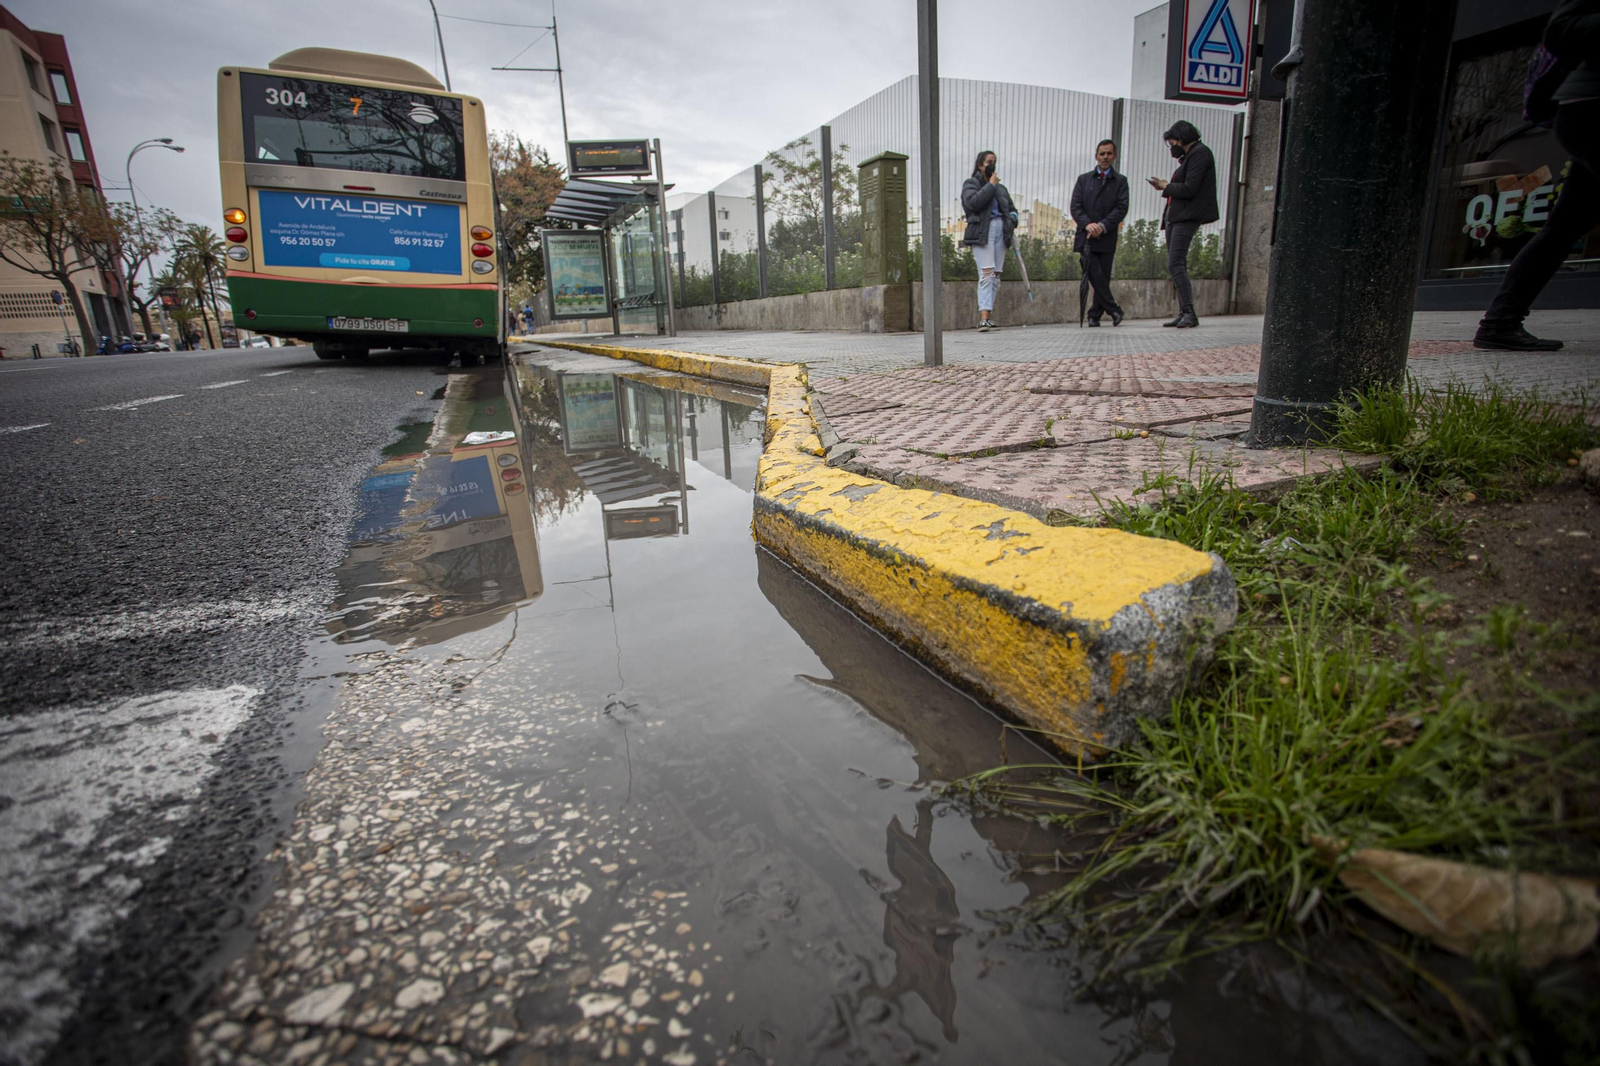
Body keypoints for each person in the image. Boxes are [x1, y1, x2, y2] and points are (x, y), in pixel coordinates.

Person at [1475, 1, 1599, 351]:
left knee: (1563, 228)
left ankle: (1500, 323)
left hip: (1583, 112)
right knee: (1562, 229)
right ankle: (1499, 323)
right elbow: (1562, 29)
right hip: (1591, 106)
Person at [1147, 120, 1219, 329]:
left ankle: (1189, 312)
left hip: (1186, 217)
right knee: (1177, 263)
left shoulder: (1200, 153)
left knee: (1175, 263)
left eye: (1172, 143)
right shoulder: (1190, 156)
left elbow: (1189, 188)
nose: (1172, 148)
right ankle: (1184, 311)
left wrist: (1165, 186)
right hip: (1176, 216)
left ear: (1182, 138)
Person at [1070, 139, 1130, 326]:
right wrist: (1089, 225)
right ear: (1096, 156)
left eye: (1109, 154)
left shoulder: (1120, 181)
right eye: (1102, 154)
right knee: (1093, 272)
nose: (1105, 157)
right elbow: (1076, 206)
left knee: (1101, 277)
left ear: (1114, 156)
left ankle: (1094, 315)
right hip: (1086, 236)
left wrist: (1102, 226)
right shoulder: (1083, 179)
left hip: (1106, 236)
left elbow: (1121, 208)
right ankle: (1114, 309)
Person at [960, 150, 1019, 329]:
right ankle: (983, 316)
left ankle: (989, 313)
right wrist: (990, 186)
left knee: (995, 275)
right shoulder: (972, 183)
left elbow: (1010, 207)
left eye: (994, 161)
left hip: (1002, 230)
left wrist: (1013, 219)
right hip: (982, 232)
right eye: (988, 162)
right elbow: (972, 203)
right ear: (980, 165)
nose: (992, 165)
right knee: (986, 273)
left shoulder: (1001, 188)